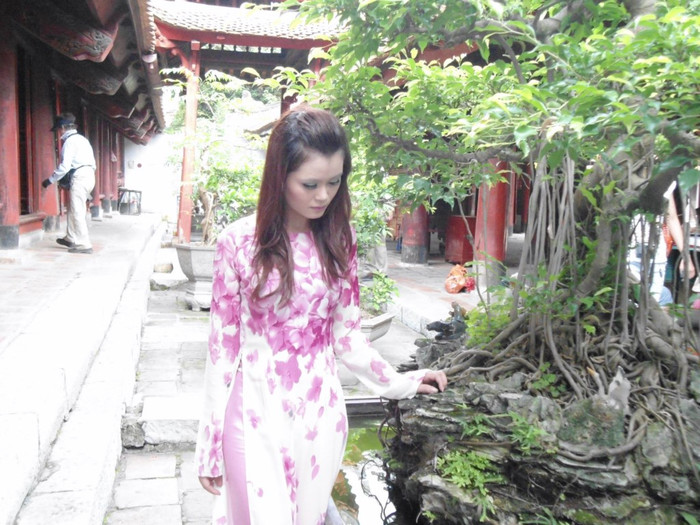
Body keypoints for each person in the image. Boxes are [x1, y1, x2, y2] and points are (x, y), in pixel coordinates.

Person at [195, 105, 448, 524]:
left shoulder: (340, 239)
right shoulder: (237, 242)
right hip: (255, 410)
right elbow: (222, 350)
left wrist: (403, 383)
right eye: (310, 184)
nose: (323, 196)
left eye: (334, 182)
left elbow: (347, 337)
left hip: (319, 414)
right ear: (279, 177)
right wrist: (209, 439)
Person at [628, 180, 695, 306]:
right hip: (627, 251)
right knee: (630, 302)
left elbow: (671, 217)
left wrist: (686, 256)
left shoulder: (665, 178)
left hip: (656, 252)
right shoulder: (625, 175)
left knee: (653, 302)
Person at [42, 112, 96, 254]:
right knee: (73, 208)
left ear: (63, 128)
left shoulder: (69, 142)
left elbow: (64, 167)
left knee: (77, 210)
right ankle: (70, 237)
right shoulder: (82, 140)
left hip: (79, 176)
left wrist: (50, 180)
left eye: (59, 129)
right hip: (88, 175)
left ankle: (84, 244)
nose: (59, 132)